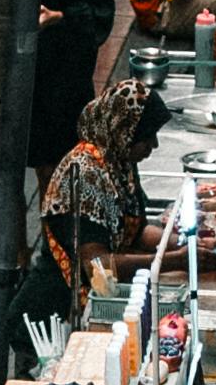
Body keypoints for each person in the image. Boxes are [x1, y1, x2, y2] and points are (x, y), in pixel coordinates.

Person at [31, 76, 161, 329]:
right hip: (54, 316)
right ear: (125, 130)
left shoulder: (120, 163)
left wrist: (185, 241)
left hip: (93, 305)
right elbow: (98, 269)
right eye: (147, 136)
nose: (154, 145)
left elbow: (136, 231)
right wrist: (170, 261)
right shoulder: (84, 174)